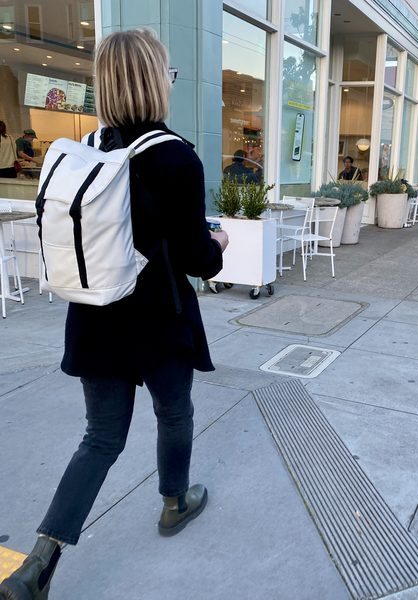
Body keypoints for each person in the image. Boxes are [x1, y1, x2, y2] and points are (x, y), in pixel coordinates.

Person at [0, 28, 229, 600]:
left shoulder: (82, 152)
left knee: (100, 438)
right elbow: (200, 259)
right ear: (156, 81)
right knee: (174, 413)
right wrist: (218, 242)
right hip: (159, 319)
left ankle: (38, 565)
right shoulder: (175, 156)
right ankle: (174, 503)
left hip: (95, 316)